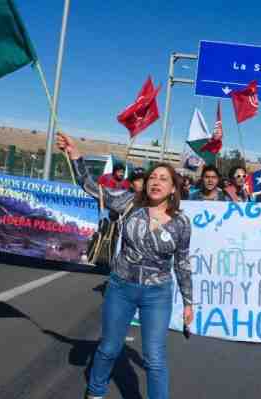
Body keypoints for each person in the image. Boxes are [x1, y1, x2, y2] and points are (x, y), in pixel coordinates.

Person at [56, 133, 193, 399]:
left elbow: (183, 262)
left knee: (154, 358)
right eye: (153, 177)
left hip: (157, 293)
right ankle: (95, 392)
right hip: (121, 287)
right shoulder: (129, 203)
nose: (156, 181)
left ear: (174, 188)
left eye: (164, 179)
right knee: (109, 348)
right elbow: (92, 187)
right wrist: (75, 155)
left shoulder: (181, 223)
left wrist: (189, 302)